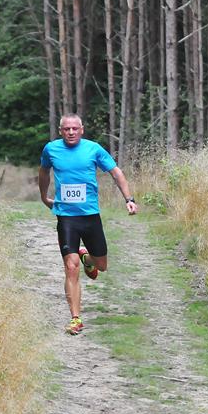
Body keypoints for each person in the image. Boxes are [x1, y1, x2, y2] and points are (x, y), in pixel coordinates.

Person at [38, 113, 138, 335]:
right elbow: (44, 172)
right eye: (66, 129)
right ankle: (76, 318)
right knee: (70, 266)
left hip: (90, 215)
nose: (71, 132)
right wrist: (44, 196)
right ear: (61, 131)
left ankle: (88, 259)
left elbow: (115, 172)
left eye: (75, 128)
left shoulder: (94, 149)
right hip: (66, 216)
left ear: (82, 130)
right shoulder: (51, 149)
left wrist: (129, 199)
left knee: (102, 265)